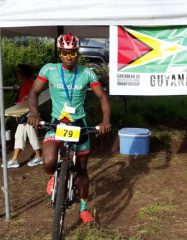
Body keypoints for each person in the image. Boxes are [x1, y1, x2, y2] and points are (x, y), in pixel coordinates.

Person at [27, 34, 111, 224]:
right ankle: (53, 177)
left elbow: (102, 97)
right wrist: (34, 113)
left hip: (79, 125)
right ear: (60, 53)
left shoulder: (87, 73)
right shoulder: (49, 70)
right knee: (48, 161)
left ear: (77, 54)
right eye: (65, 53)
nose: (69, 57)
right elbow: (34, 92)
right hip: (57, 123)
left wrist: (105, 120)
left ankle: (83, 208)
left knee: (82, 171)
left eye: (73, 53)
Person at [4, 64, 42, 168]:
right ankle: (15, 159)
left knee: (32, 136)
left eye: (18, 72)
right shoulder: (25, 82)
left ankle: (39, 157)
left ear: (23, 73)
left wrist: (24, 100)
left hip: (29, 114)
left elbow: (32, 95)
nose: (17, 74)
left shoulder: (31, 82)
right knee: (19, 136)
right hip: (23, 113)